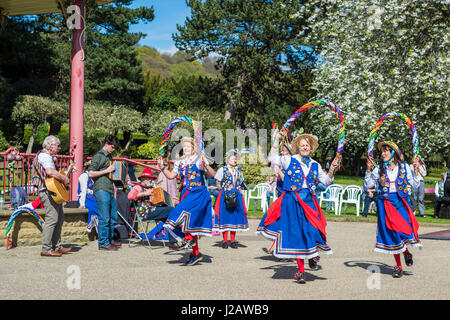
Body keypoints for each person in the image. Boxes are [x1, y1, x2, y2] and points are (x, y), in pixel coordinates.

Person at [263, 131, 338, 283]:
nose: (305, 147)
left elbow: (326, 182)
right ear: (297, 147)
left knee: (313, 230)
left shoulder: (316, 164)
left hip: (310, 202)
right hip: (293, 202)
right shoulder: (289, 159)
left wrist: (332, 170)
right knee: (298, 235)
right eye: (302, 145)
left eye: (307, 145)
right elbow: (272, 158)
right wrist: (276, 140)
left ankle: (312, 255)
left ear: (311, 148)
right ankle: (301, 271)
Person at [364, 141, 422, 278]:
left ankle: (406, 252)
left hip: (401, 202)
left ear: (393, 153)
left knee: (404, 230)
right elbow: (368, 185)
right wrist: (368, 170)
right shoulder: (379, 169)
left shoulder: (404, 168)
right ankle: (398, 266)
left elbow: (415, 185)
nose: (383, 153)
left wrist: (416, 170)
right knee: (392, 235)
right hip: (386, 204)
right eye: (382, 151)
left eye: (386, 150)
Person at [158, 136, 216, 265]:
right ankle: (195, 253)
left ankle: (189, 241)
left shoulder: (198, 160)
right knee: (189, 224)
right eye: (183, 147)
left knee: (178, 216)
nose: (185, 149)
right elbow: (171, 176)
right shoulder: (181, 162)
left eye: (188, 146)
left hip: (198, 194)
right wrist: (163, 168)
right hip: (186, 193)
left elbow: (212, 174)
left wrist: (205, 164)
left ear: (194, 148)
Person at [31, 135, 72, 257]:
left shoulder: (45, 156)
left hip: (50, 191)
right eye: (57, 146)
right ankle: (46, 248)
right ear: (50, 146)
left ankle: (57, 246)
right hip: (47, 191)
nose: (59, 148)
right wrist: (64, 177)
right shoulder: (44, 156)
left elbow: (53, 175)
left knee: (58, 219)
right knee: (52, 219)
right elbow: (49, 172)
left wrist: (65, 173)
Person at [127, 168, 180, 250]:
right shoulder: (138, 187)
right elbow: (130, 196)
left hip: (153, 211)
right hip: (144, 213)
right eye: (148, 179)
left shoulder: (152, 188)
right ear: (142, 179)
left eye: (151, 179)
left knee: (170, 218)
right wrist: (144, 193)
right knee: (170, 210)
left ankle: (173, 242)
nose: (150, 180)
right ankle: (177, 240)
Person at [88, 134, 121, 251]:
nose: (113, 149)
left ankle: (110, 240)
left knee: (112, 217)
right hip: (101, 189)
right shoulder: (99, 156)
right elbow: (90, 173)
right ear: (106, 144)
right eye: (112, 147)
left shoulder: (109, 157)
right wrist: (107, 170)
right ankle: (103, 243)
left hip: (109, 189)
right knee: (104, 217)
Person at [213, 149, 248, 249]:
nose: (235, 159)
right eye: (233, 158)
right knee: (225, 216)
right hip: (225, 195)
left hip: (236, 195)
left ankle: (233, 241)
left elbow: (241, 183)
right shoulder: (222, 169)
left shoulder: (239, 170)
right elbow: (218, 182)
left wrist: (240, 190)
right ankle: (224, 241)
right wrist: (223, 191)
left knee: (234, 217)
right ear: (228, 159)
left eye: (236, 158)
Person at [77, 160, 98, 234]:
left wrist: (91, 191)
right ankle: (96, 228)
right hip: (86, 198)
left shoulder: (93, 177)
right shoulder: (84, 176)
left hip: (92, 196)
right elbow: (83, 191)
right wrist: (82, 204)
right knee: (95, 207)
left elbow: (94, 190)